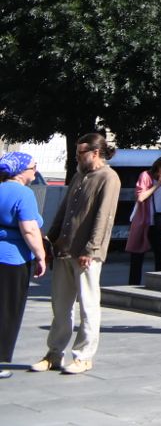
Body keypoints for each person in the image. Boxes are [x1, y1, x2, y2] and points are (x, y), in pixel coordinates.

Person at [32, 131, 118, 376]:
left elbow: (104, 217)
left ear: (95, 152)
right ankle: (54, 353)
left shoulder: (108, 177)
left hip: (87, 253)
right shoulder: (80, 175)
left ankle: (83, 356)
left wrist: (92, 248)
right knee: (60, 305)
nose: (77, 158)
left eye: (81, 153)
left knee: (88, 306)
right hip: (65, 249)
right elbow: (64, 210)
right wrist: (51, 238)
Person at [0, 151, 49, 379]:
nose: (35, 171)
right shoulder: (23, 194)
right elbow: (29, 229)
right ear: (20, 171)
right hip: (13, 259)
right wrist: (40, 256)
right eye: (32, 167)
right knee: (7, 310)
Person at [124, 153, 161, 284]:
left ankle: (160, 283)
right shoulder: (145, 176)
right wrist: (157, 185)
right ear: (158, 166)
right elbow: (141, 197)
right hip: (143, 221)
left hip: (158, 222)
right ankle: (133, 284)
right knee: (137, 254)